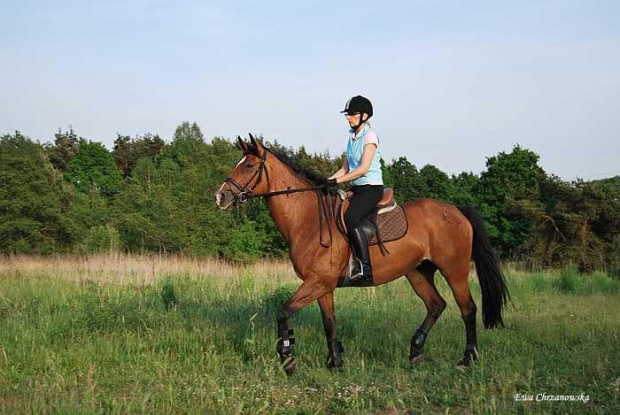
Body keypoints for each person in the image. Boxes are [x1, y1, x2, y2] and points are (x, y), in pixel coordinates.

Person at [326, 95, 384, 285]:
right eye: (347, 114)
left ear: (364, 116)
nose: (348, 117)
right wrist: (326, 181)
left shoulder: (370, 136)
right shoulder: (351, 137)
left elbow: (363, 168)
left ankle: (365, 269)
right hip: (357, 188)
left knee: (351, 217)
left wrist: (339, 181)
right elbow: (345, 168)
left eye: (352, 114)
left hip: (371, 188)